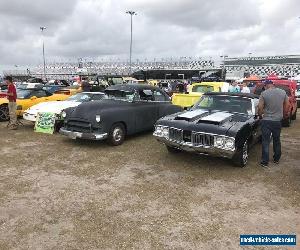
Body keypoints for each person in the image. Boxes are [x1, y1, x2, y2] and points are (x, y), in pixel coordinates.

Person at [257, 80, 289, 168]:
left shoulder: (264, 93)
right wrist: (284, 114)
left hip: (266, 120)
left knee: (265, 141)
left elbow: (260, 107)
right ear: (273, 85)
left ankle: (265, 162)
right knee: (276, 140)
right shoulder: (282, 92)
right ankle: (276, 159)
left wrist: (260, 116)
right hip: (277, 120)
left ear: (265, 86)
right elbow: (287, 104)